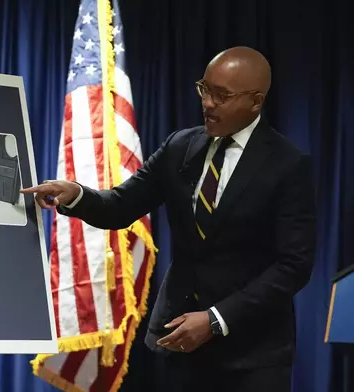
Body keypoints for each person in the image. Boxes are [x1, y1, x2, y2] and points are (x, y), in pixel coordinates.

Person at [21, 46, 316, 391]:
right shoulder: (181, 146)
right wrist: (77, 194)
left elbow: (293, 266)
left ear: (255, 101)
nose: (208, 103)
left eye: (221, 95)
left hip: (251, 357)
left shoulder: (288, 165)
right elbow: (121, 205)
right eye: (204, 89)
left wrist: (215, 319)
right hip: (177, 346)